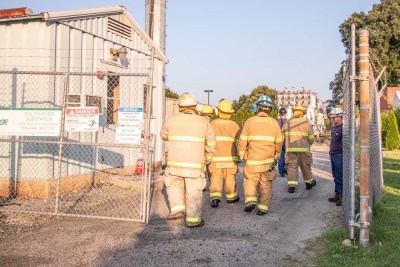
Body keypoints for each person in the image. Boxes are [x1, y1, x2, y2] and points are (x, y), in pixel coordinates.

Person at [160, 92, 216, 228]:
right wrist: (208, 158)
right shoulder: (203, 122)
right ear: (195, 106)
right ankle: (193, 220)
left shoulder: (171, 121)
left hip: (174, 164)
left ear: (179, 107)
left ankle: (177, 211)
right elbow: (211, 143)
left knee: (174, 187)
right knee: (193, 192)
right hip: (194, 166)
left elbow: (164, 135)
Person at [238, 95, 283, 216]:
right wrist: (277, 154)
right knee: (266, 183)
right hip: (268, 161)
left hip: (253, 159)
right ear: (269, 109)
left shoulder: (250, 121)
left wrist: (241, 154)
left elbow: (242, 140)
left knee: (250, 180)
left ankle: (250, 201)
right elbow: (279, 141)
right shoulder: (274, 123)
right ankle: (263, 208)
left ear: (258, 107)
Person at [209, 99, 240, 207]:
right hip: (230, 159)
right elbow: (239, 143)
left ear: (219, 111)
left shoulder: (212, 124)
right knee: (230, 178)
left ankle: (215, 198)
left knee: (216, 178)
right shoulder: (235, 126)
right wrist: (239, 156)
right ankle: (231, 198)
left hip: (215, 158)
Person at [282, 105, 316, 193]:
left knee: (292, 168)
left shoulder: (287, 123)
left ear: (294, 112)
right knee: (306, 166)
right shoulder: (306, 123)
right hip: (303, 149)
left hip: (290, 150)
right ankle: (308, 183)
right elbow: (311, 138)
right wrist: (307, 145)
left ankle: (291, 186)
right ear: (302, 113)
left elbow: (282, 137)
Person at [327, 108, 344, 206]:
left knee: (339, 175)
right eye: (331, 118)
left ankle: (341, 196)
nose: (332, 119)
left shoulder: (343, 128)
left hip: (339, 155)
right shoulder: (334, 128)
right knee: (335, 176)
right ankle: (337, 194)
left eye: (334, 117)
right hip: (333, 154)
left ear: (339, 117)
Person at [277, 107, 288, 177]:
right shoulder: (288, 122)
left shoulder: (276, 122)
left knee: (281, 157)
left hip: (279, 141)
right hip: (287, 141)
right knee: (289, 156)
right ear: (285, 114)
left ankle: (281, 173)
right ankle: (286, 167)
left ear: (279, 114)